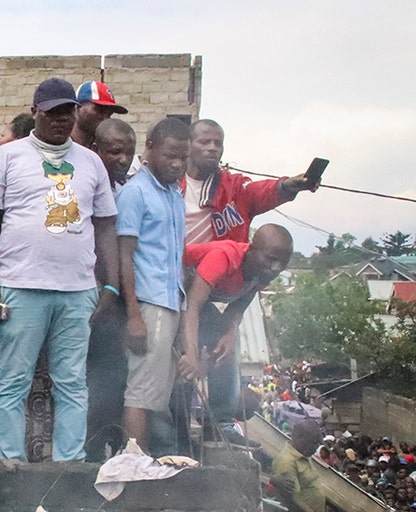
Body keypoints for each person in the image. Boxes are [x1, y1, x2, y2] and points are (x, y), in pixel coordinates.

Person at [0, 77, 119, 462]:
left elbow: (105, 226)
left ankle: (68, 465)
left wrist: (111, 286)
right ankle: (10, 462)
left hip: (77, 291)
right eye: (52, 111)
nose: (60, 119)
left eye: (66, 111)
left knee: (72, 383)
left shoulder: (92, 164)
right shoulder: (6, 157)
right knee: (12, 382)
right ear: (34, 111)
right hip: (21, 286)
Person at [177, 224, 294, 447]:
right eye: (270, 258)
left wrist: (230, 334)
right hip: (176, 295)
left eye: (283, 263)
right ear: (252, 249)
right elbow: (192, 306)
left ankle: (220, 423)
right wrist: (192, 352)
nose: (275, 267)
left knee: (229, 345)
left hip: (197, 305)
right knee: (183, 365)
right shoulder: (224, 258)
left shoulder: (263, 273)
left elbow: (237, 309)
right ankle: (174, 428)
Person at [114, 118, 190, 453]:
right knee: (141, 392)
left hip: (170, 302)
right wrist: (134, 316)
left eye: (183, 157)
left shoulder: (174, 195)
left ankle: (143, 461)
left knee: (155, 393)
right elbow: (124, 256)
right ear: (150, 149)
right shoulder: (136, 192)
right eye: (171, 155)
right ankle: (135, 463)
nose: (177, 163)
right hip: (148, 304)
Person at [83, 116, 138, 459]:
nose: (122, 159)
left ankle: (108, 452)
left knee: (113, 382)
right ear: (95, 151)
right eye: (115, 152)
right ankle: (84, 455)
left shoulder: (129, 191)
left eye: (128, 153)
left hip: (116, 302)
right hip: (87, 297)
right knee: (86, 384)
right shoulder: (82, 187)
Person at [185, 119, 318, 246]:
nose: (212, 148)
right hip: (175, 266)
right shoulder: (171, 186)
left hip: (221, 268)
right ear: (188, 146)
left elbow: (260, 191)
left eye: (218, 143)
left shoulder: (235, 187)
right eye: (204, 142)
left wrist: (287, 186)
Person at [71, 81, 128, 148]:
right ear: (78, 106)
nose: (105, 118)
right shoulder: (59, 145)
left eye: (109, 114)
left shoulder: (103, 150)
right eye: (100, 110)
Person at [92, 118, 137, 190]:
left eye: (130, 153)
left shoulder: (126, 189)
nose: (124, 160)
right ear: (96, 150)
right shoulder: (85, 189)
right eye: (115, 152)